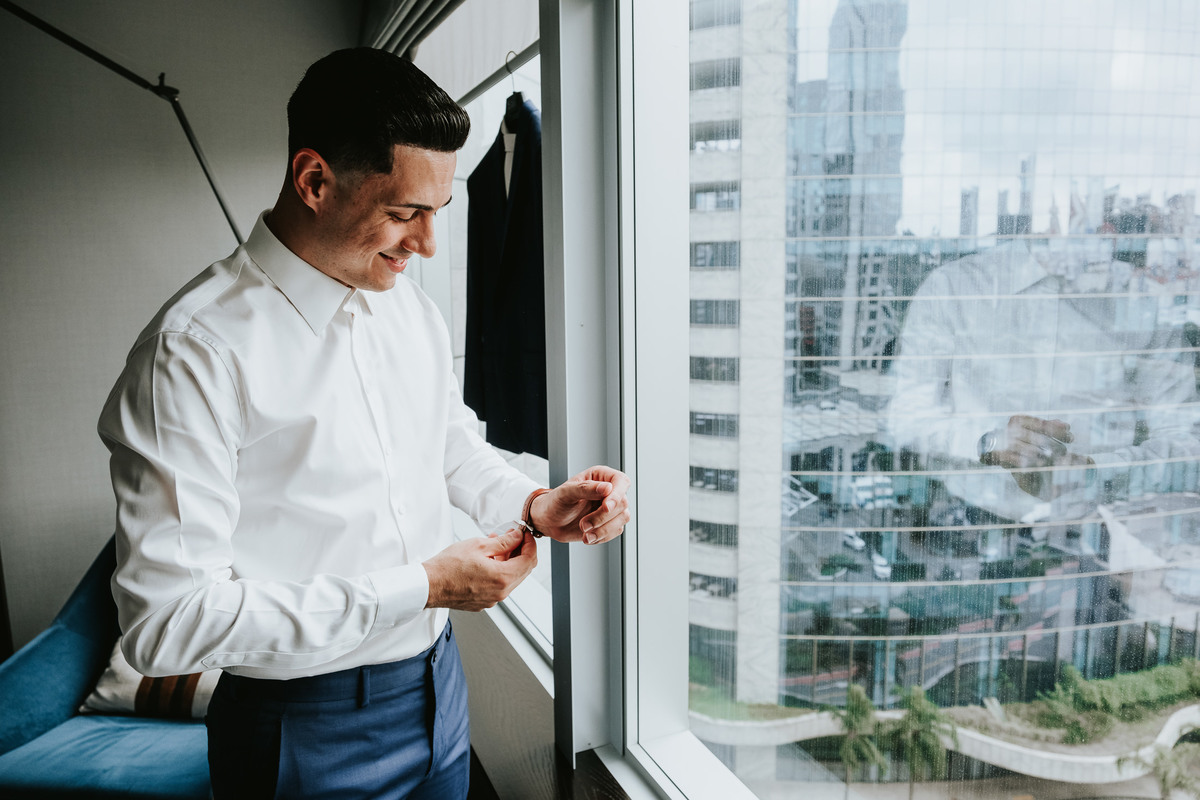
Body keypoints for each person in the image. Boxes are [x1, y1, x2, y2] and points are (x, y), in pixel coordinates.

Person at [97, 47, 630, 799]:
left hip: (439, 690)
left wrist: (533, 504)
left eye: (437, 213)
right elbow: (166, 625)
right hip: (298, 731)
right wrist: (422, 587)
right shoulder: (191, 355)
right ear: (314, 180)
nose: (428, 244)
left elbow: (446, 445)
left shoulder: (406, 303)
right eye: (404, 213)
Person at [887, 237, 1200, 527]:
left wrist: (1097, 470)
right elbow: (906, 418)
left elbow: (1185, 439)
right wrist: (991, 442)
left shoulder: (1141, 298)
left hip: (1102, 524)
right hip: (972, 521)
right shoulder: (955, 287)